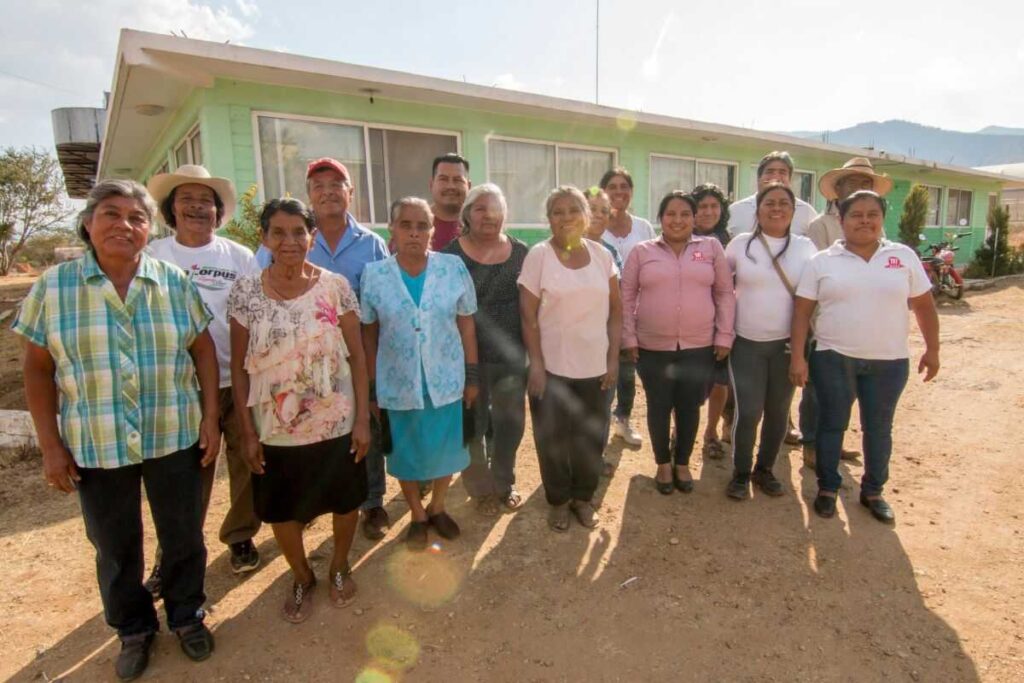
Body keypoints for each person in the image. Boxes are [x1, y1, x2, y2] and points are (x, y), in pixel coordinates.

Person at [14, 180, 219, 680]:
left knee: (183, 533)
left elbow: (203, 350)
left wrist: (211, 417)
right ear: (88, 223)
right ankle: (133, 628)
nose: (124, 225)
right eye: (111, 214)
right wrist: (50, 445)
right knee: (114, 541)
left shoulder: (172, 282)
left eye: (136, 217)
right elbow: (37, 369)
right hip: (97, 440)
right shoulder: (55, 287)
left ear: (149, 230)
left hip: (172, 433)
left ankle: (187, 614)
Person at [229, 198, 370, 622]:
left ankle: (339, 566)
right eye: (278, 232)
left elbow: (358, 356)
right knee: (281, 507)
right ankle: (303, 575)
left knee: (345, 501)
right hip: (275, 427)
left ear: (311, 236)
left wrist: (363, 418)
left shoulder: (335, 286)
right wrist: (248, 432)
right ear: (264, 237)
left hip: (337, 420)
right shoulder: (246, 292)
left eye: (298, 232)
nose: (289, 241)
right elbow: (238, 368)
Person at [255, 158, 392, 542]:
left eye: (337, 184)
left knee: (366, 430)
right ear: (309, 195)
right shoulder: (289, 240)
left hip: (357, 355)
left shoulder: (372, 245)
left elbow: (377, 310)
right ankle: (310, 504)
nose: (328, 191)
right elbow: (260, 296)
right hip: (299, 365)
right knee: (304, 431)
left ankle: (372, 501)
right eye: (318, 185)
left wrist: (373, 365)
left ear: (350, 193)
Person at [144, 164, 260, 595]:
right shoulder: (155, 255)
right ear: (171, 210)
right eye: (186, 200)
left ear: (218, 211)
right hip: (180, 386)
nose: (196, 207)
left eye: (205, 201)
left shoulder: (238, 257)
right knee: (186, 473)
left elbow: (252, 315)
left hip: (239, 378)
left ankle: (241, 536)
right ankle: (172, 553)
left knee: (247, 461)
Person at [790, 190, 940, 523]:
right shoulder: (822, 261)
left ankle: (873, 491)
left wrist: (933, 349)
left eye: (872, 214)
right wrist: (798, 358)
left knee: (879, 428)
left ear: (882, 219)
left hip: (889, 361)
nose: (865, 220)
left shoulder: (902, 257)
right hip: (833, 358)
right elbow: (801, 313)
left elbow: (924, 306)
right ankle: (827, 488)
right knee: (831, 425)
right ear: (841, 221)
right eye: (856, 214)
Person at [361, 198, 479, 550]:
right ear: (391, 230)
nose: (414, 233)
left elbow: (467, 324)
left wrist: (472, 376)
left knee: (447, 449)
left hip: (446, 380)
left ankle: (438, 506)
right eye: (406, 225)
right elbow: (368, 333)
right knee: (405, 453)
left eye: (422, 226)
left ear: (433, 231)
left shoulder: (452, 267)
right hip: (397, 383)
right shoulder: (375, 275)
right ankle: (416, 513)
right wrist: (370, 386)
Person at [520, 186, 620, 531]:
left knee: (589, 438)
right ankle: (559, 500)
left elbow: (616, 314)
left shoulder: (602, 256)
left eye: (573, 210)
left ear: (586, 215)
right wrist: (535, 364)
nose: (566, 218)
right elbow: (528, 317)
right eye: (557, 212)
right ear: (548, 219)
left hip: (595, 368)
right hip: (552, 368)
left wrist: (612, 360)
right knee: (553, 439)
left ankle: (583, 498)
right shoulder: (539, 256)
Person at [621, 191, 735, 495]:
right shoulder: (641, 252)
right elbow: (626, 296)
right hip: (651, 346)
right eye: (671, 214)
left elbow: (724, 293)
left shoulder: (710, 248)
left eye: (685, 214)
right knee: (659, 405)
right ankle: (662, 463)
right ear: (661, 218)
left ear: (694, 218)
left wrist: (724, 334)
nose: (678, 220)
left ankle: (682, 462)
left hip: (700, 345)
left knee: (689, 406)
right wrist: (628, 336)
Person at [724, 182, 816, 500]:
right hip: (745, 344)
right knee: (748, 412)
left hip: (786, 347)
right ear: (758, 210)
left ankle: (765, 470)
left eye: (783, 204)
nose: (776, 208)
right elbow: (721, 290)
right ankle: (741, 472)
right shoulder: (739, 245)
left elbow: (814, 297)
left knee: (778, 412)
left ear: (793, 211)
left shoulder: (806, 248)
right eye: (769, 203)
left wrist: (800, 353)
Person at [800, 158, 894, 468]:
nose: (858, 189)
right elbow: (812, 280)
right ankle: (811, 444)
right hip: (824, 328)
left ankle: (832, 444)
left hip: (862, 334)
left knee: (845, 394)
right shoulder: (820, 227)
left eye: (865, 184)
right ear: (837, 191)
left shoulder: (875, 230)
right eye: (851, 183)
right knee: (816, 390)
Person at [442, 184, 528, 515]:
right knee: (471, 424)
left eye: (495, 209)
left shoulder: (521, 252)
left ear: (504, 215)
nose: (488, 215)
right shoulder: (450, 255)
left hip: (510, 358)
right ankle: (478, 488)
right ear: (467, 215)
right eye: (480, 208)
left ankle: (504, 482)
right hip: (464, 358)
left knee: (510, 423)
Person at [599, 167, 655, 447]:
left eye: (624, 186)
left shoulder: (643, 227)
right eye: (612, 186)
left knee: (627, 368)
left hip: (636, 308)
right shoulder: (594, 224)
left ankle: (622, 420)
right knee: (603, 367)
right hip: (601, 311)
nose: (619, 192)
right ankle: (596, 424)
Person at [691, 182, 734, 459]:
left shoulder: (732, 243)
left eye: (713, 206)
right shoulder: (680, 237)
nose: (708, 212)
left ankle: (711, 433)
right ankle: (680, 432)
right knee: (689, 383)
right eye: (702, 206)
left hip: (723, 324)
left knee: (721, 382)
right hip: (691, 325)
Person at [583, 186, 623, 477]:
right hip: (567, 347)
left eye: (603, 211)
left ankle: (593, 460)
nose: (597, 215)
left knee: (600, 408)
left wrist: (614, 352)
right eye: (591, 208)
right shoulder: (559, 249)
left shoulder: (611, 254)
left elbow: (617, 307)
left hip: (602, 345)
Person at [727, 151, 818, 237]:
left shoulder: (807, 212)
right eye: (769, 172)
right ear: (759, 178)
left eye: (782, 172)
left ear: (790, 179)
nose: (775, 177)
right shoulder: (735, 211)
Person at [429, 153, 472, 251]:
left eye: (458, 180)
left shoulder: (478, 223)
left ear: (469, 186)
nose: (451, 186)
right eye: (443, 179)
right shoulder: (416, 222)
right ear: (431, 185)